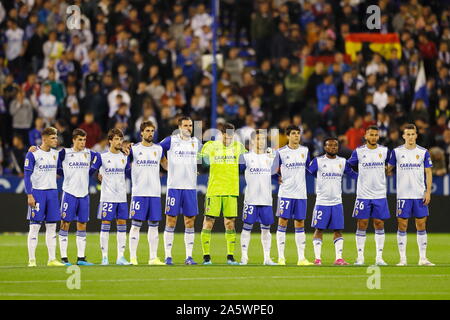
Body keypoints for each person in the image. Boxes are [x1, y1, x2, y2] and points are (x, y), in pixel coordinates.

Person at [387, 124, 434, 266]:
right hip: (403, 195)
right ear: (403, 136)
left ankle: (423, 258)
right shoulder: (396, 152)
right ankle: (403, 259)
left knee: (421, 224)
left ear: (416, 135)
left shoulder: (423, 152)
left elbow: (428, 172)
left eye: (413, 134)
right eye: (408, 134)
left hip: (419, 194)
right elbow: (388, 169)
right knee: (402, 225)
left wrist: (428, 191)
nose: (410, 137)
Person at [199, 123, 246, 265]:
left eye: (231, 134)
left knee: (230, 223)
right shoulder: (211, 146)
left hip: (231, 190)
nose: (229, 137)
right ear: (222, 134)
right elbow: (201, 161)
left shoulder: (239, 147)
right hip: (214, 190)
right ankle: (206, 256)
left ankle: (230, 256)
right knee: (208, 222)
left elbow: (246, 163)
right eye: (226, 134)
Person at [159, 116, 202, 265]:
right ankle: (168, 256)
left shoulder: (195, 142)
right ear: (179, 127)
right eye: (185, 125)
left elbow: (201, 159)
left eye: (190, 125)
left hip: (190, 187)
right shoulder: (171, 140)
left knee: (189, 221)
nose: (189, 128)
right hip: (174, 187)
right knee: (171, 221)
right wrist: (165, 165)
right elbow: (157, 150)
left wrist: (193, 169)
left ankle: (189, 257)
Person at [308, 137, 357, 266]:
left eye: (335, 145)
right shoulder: (317, 161)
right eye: (329, 145)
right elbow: (308, 173)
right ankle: (317, 259)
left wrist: (367, 176)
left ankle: (339, 258)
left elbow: (353, 175)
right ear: (325, 147)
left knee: (338, 230)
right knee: (319, 229)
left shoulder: (342, 162)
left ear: (338, 147)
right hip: (322, 202)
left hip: (337, 202)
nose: (332, 148)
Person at [347, 126, 390, 266]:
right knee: (362, 224)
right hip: (363, 194)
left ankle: (379, 258)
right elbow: (347, 166)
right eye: (371, 134)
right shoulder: (359, 152)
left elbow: (391, 165)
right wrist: (356, 176)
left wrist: (388, 170)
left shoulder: (384, 151)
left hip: (379, 194)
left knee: (379, 223)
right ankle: (360, 257)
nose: (374, 137)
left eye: (376, 135)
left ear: (378, 137)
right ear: (366, 136)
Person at [24, 127, 65, 267]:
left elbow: (62, 170)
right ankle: (32, 260)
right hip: (38, 193)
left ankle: (52, 259)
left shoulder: (56, 154)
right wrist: (29, 195)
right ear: (44, 139)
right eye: (53, 138)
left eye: (56, 137)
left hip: (53, 193)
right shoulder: (33, 154)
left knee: (52, 227)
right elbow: (27, 176)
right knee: (34, 227)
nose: (56, 140)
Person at [90, 128, 131, 265]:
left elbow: (130, 174)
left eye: (121, 139)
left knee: (122, 225)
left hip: (121, 197)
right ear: (110, 141)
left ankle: (120, 257)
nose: (119, 142)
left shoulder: (125, 157)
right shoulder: (102, 157)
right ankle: (105, 257)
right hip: (107, 197)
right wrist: (97, 176)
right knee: (105, 225)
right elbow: (91, 171)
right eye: (117, 139)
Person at [274, 125, 313, 266]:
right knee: (282, 222)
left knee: (300, 223)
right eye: (293, 134)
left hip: (301, 194)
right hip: (285, 193)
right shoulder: (281, 152)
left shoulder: (305, 150)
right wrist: (277, 177)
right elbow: (273, 170)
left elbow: (309, 168)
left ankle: (301, 258)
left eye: (298, 133)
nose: (296, 136)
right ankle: (281, 257)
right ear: (288, 136)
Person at [128, 121, 165, 266]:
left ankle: (153, 258)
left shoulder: (159, 149)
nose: (150, 133)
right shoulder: (134, 149)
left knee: (154, 225)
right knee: (136, 225)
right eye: (147, 130)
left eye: (152, 131)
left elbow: (166, 165)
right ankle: (132, 258)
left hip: (154, 193)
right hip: (139, 192)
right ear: (141, 133)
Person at [239, 129, 278, 266]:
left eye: (263, 139)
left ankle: (267, 258)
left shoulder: (271, 156)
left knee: (266, 228)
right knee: (247, 227)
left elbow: (275, 173)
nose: (261, 142)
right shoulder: (245, 157)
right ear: (252, 141)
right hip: (251, 199)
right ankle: (244, 257)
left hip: (266, 199)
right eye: (258, 139)